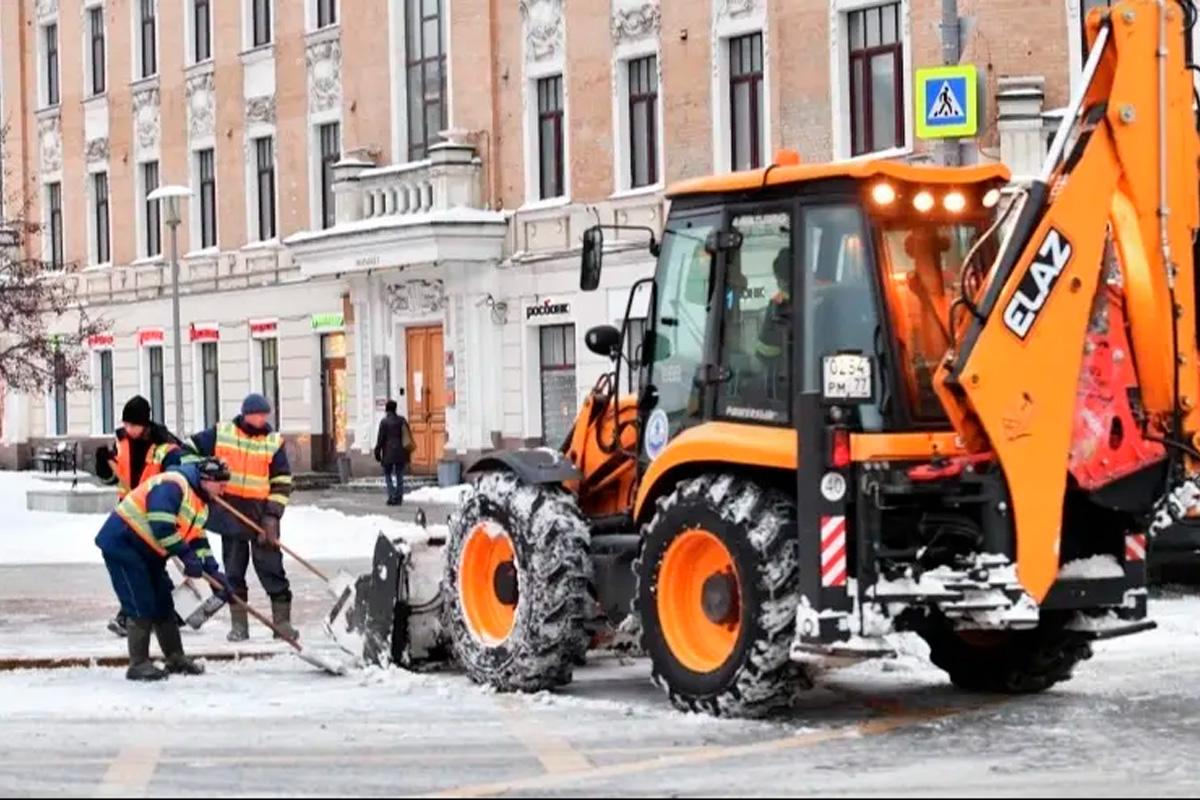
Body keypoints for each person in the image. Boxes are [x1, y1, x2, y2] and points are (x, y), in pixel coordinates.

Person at [94, 459, 233, 681]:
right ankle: (138, 664)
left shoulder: (200, 503)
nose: (224, 492)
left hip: (150, 552)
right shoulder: (173, 485)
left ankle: (175, 657)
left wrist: (213, 572)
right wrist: (186, 556)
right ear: (207, 480)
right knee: (141, 602)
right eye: (221, 486)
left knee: (163, 602)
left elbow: (197, 539)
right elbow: (161, 524)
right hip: (124, 543)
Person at [187, 393, 295, 642]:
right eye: (257, 414)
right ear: (246, 414)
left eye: (264, 415)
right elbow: (189, 450)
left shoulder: (273, 442)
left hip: (261, 519)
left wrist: (272, 517)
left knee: (272, 569)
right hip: (230, 516)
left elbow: (282, 482)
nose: (261, 419)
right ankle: (239, 626)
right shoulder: (222, 433)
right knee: (234, 572)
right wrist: (206, 474)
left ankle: (282, 624)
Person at [94, 396, 185, 638]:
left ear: (144, 424)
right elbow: (113, 478)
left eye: (132, 425)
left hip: (154, 515)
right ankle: (167, 612)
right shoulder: (122, 442)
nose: (128, 429)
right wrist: (103, 464)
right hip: (128, 514)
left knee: (144, 565)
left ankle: (132, 615)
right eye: (125, 424)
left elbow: (175, 483)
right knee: (145, 565)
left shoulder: (166, 448)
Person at [374, 400, 415, 506]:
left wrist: (377, 451)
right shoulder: (402, 420)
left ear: (387, 409)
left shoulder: (384, 422)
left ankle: (392, 496)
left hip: (388, 453)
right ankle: (399, 497)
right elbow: (407, 436)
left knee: (387, 474)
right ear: (395, 409)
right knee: (399, 475)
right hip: (401, 452)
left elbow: (380, 439)